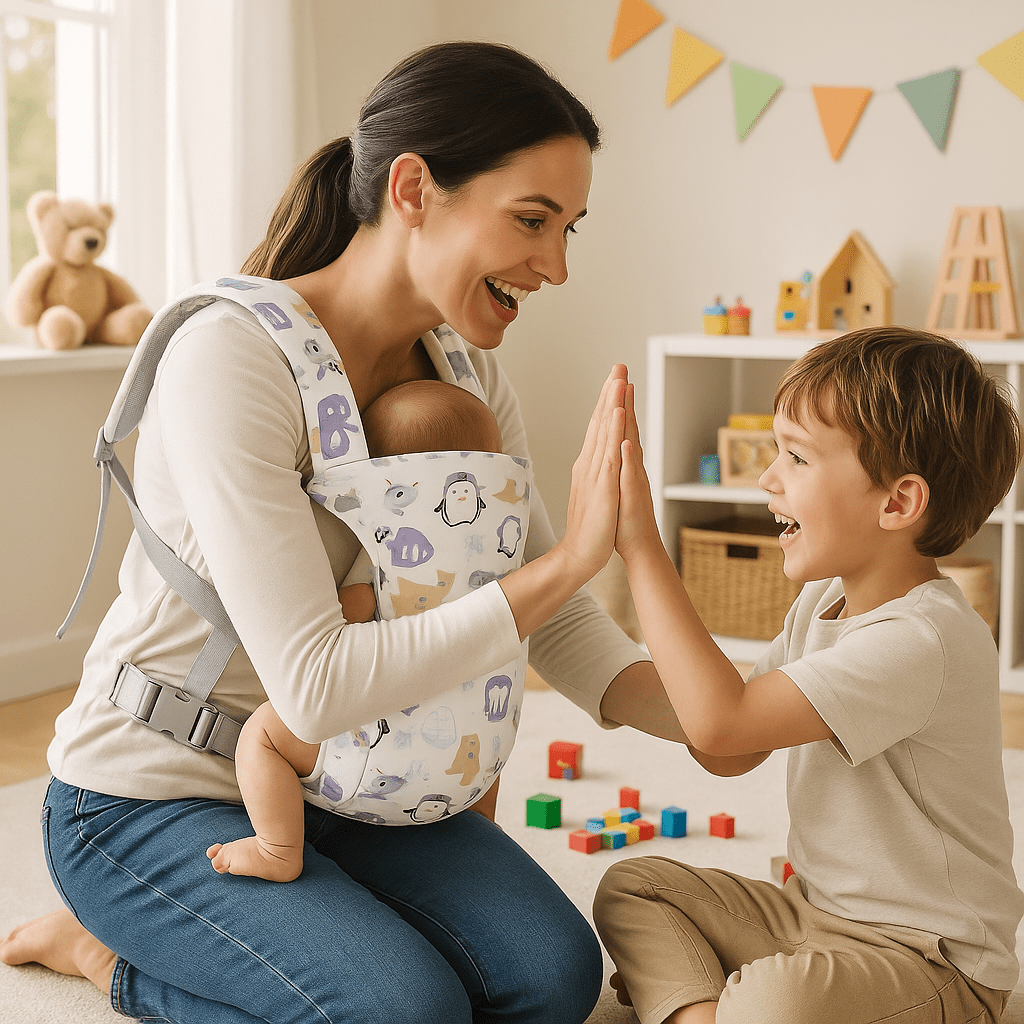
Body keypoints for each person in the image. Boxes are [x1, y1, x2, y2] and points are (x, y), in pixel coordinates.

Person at [0, 41, 687, 1024]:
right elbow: (315, 680)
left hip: (342, 781)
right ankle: (106, 956)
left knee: (551, 976)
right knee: (404, 1012)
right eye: (532, 221)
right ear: (413, 189)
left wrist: (726, 717)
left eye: (569, 228)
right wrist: (579, 554)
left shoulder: (465, 369)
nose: (558, 265)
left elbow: (553, 616)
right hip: (147, 793)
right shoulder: (230, 359)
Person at [594, 325, 1024, 1024]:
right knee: (634, 887)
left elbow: (721, 720)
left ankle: (700, 1006)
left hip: (929, 959)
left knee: (775, 1003)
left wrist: (642, 546)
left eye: (795, 457)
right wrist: (582, 663)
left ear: (897, 503)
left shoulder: (921, 638)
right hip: (812, 913)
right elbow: (726, 748)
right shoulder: (822, 603)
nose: (767, 479)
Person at [207, 379, 508, 882]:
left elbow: (347, 619)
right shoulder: (500, 559)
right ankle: (480, 834)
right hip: (470, 754)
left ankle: (277, 848)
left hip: (376, 752)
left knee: (262, 734)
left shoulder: (385, 550)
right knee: (484, 734)